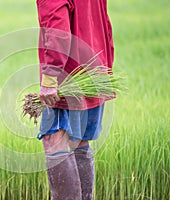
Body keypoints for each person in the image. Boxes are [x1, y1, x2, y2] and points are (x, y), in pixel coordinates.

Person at [36, 0, 114, 199]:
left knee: (54, 140)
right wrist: (105, 66)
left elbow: (56, 28)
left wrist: (50, 78)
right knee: (79, 141)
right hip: (95, 68)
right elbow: (103, 19)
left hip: (67, 74)